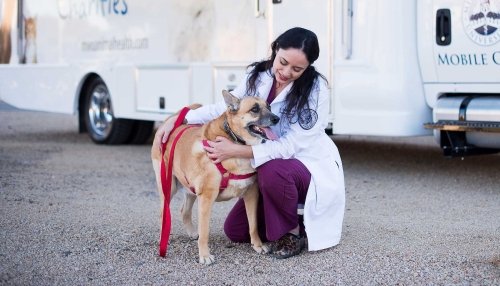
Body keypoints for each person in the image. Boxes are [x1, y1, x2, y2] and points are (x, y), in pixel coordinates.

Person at [154, 27, 345, 259]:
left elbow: (288, 147)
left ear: (308, 68)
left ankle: (292, 233)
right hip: (269, 165)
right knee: (234, 231)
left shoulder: (316, 91)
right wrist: (181, 117)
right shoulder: (259, 75)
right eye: (282, 62)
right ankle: (298, 219)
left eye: (297, 69)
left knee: (271, 168)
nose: (285, 72)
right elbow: (226, 108)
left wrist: (238, 150)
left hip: (304, 165)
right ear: (275, 50)